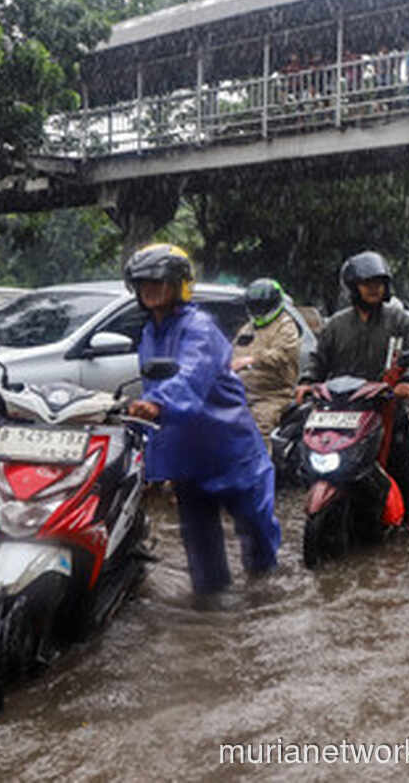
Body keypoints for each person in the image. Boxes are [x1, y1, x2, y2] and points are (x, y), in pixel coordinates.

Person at [124, 244, 281, 596]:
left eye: (157, 282)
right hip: (187, 457)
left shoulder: (200, 328)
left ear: (179, 284)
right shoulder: (149, 333)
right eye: (142, 283)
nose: (149, 289)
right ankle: (209, 619)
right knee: (202, 555)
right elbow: (152, 388)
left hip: (229, 449)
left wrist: (156, 404)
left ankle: (265, 606)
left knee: (258, 541)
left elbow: (191, 376)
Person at [296, 251, 409, 534]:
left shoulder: (398, 320)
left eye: (379, 282)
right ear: (354, 285)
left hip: (388, 411)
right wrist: (306, 382)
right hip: (341, 414)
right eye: (367, 282)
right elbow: (318, 360)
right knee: (310, 463)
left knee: (404, 473)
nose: (373, 288)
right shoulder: (336, 325)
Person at [231, 278, 301, 445]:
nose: (259, 311)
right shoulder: (248, 328)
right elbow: (233, 352)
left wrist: (253, 359)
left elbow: (283, 355)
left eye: (262, 306)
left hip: (272, 396)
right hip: (242, 393)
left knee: (261, 428)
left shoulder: (286, 326)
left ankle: (265, 468)